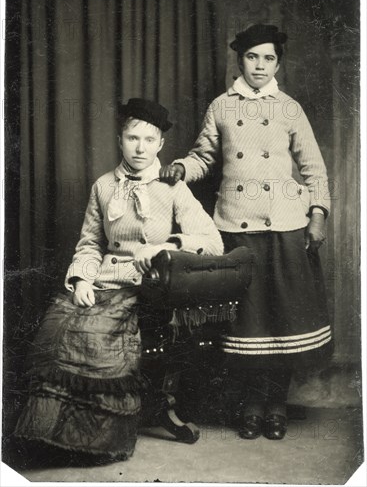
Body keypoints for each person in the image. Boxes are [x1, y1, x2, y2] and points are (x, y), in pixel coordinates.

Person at [14, 98, 223, 464]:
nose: (140, 148)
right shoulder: (103, 185)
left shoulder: (172, 187)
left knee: (98, 335)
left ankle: (96, 440)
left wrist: (164, 246)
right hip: (101, 280)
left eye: (148, 139)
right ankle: (48, 434)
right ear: (120, 139)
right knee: (57, 326)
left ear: (160, 144)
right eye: (132, 138)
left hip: (145, 283)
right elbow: (90, 242)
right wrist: (81, 279)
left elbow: (212, 242)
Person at [160, 24, 333, 440]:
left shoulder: (289, 108)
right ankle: (252, 405)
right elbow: (204, 156)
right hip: (237, 226)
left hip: (285, 226)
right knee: (247, 324)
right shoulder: (221, 106)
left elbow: (313, 168)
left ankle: (276, 405)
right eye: (252, 57)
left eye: (268, 58)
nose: (260, 65)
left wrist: (318, 215)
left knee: (283, 319)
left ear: (278, 63)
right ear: (239, 60)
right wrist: (183, 167)